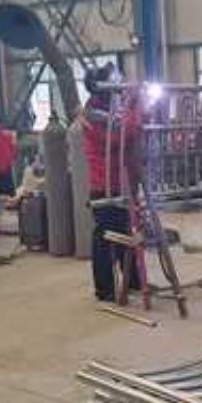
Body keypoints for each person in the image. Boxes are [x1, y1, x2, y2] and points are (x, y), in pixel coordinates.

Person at [79, 64, 142, 302]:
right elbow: (121, 134)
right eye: (116, 84)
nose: (121, 88)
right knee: (106, 236)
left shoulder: (113, 109)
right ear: (102, 88)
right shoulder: (93, 115)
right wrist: (134, 105)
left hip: (122, 181)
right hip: (104, 185)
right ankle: (105, 289)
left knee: (128, 231)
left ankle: (132, 282)